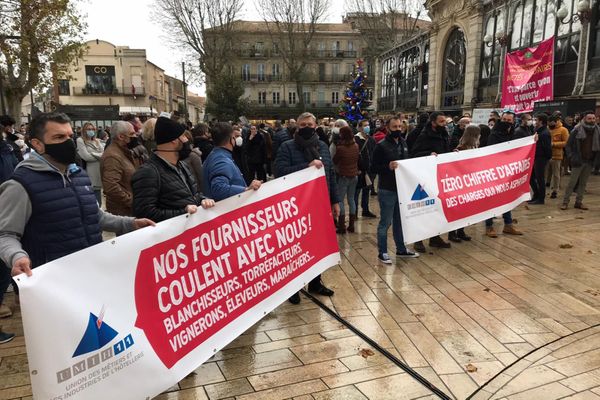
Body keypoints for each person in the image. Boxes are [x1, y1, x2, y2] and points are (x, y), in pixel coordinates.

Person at [0, 113, 154, 336]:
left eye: (70, 136)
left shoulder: (79, 175)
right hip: (53, 285)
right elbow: (5, 234)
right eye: (59, 137)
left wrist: (130, 223)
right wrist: (17, 256)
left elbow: (96, 216)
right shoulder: (20, 184)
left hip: (88, 274)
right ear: (37, 144)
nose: (68, 143)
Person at [275, 112, 340, 304]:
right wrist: (307, 167)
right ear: (297, 127)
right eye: (302, 125)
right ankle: (294, 288)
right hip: (297, 208)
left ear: (316, 125)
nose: (306, 128)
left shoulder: (322, 146)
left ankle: (315, 282)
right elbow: (279, 172)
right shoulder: (287, 147)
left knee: (317, 246)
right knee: (296, 249)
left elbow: (330, 175)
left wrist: (335, 201)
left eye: (309, 124)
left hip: (320, 206)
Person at [132, 116, 215, 223]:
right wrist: (183, 212)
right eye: (184, 136)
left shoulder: (182, 165)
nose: (187, 140)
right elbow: (144, 213)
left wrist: (204, 200)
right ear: (174, 141)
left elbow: (194, 195)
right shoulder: (148, 172)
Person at [371, 116, 419, 264]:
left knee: (399, 221)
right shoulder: (381, 146)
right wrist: (387, 167)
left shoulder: (403, 143)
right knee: (385, 222)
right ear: (387, 128)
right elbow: (372, 167)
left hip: (402, 189)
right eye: (394, 127)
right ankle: (383, 252)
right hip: (387, 189)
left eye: (400, 127)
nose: (398, 129)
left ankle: (401, 249)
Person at [411, 112, 452, 251]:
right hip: (425, 177)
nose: (444, 124)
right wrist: (428, 154)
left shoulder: (444, 134)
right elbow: (414, 153)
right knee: (423, 209)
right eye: (441, 122)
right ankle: (418, 239)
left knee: (437, 208)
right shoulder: (424, 135)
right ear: (433, 122)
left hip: (440, 176)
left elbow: (446, 150)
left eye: (444, 122)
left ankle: (435, 237)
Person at [484, 111, 523, 237]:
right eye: (504, 119)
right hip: (495, 171)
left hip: (507, 171)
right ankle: (489, 226)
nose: (506, 122)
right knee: (491, 199)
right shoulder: (494, 134)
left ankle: (508, 224)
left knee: (507, 198)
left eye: (508, 120)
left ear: (513, 121)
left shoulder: (513, 133)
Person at [203, 122, 261, 202]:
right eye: (235, 137)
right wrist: (245, 189)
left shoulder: (216, 155)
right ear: (231, 139)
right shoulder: (221, 160)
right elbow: (218, 189)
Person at [561, 111, 600, 210]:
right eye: (589, 118)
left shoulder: (598, 130)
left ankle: (579, 202)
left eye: (593, 118)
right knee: (572, 183)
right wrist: (571, 156)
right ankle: (565, 202)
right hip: (578, 160)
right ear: (584, 119)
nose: (592, 120)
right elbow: (568, 145)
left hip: (590, 161)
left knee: (583, 183)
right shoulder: (577, 130)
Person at [448, 125, 480, 243]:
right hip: (461, 182)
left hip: (469, 181)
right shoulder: (461, 147)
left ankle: (461, 231)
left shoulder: (475, 146)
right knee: (457, 209)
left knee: (464, 209)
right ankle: (452, 233)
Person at [101, 121, 138, 216]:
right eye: (132, 134)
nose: (135, 136)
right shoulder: (113, 156)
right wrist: (131, 201)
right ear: (121, 137)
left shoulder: (123, 152)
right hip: (123, 211)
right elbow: (111, 186)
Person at [333, 126, 360, 234]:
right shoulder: (356, 146)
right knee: (351, 199)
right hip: (354, 176)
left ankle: (341, 226)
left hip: (344, 176)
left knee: (340, 201)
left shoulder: (340, 148)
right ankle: (352, 225)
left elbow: (334, 161)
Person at [76, 122, 105, 205]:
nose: (91, 131)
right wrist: (98, 155)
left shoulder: (97, 141)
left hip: (99, 171)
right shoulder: (80, 140)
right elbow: (86, 157)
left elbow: (104, 154)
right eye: (89, 129)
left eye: (92, 129)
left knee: (98, 197)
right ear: (84, 130)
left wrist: (93, 154)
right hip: (89, 171)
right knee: (92, 197)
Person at [354, 119, 377, 218]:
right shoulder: (355, 139)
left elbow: (374, 153)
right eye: (364, 125)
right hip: (359, 170)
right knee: (357, 191)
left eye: (368, 125)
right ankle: (354, 212)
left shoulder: (371, 139)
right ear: (359, 127)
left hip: (369, 170)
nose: (367, 127)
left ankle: (365, 209)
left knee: (366, 190)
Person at [528, 114, 552, 205]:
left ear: (541, 121)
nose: (534, 121)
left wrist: (546, 158)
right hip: (535, 157)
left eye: (536, 120)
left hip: (540, 158)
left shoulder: (544, 133)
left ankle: (541, 198)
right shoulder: (537, 131)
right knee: (531, 177)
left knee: (540, 179)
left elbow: (547, 148)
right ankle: (536, 195)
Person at [547, 115, 569, 199]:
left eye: (551, 123)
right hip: (547, 154)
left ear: (556, 121)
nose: (549, 125)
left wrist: (554, 144)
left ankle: (555, 190)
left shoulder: (563, 130)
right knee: (547, 172)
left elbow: (566, 142)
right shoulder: (548, 128)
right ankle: (547, 183)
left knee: (556, 174)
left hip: (557, 154)